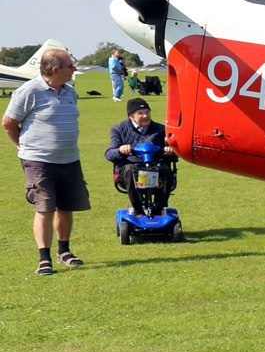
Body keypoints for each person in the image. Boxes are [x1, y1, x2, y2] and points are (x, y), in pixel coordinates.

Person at [3, 42, 87, 274]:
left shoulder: (71, 91)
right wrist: (24, 146)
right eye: (70, 66)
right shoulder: (28, 91)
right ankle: (44, 259)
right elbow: (8, 123)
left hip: (70, 159)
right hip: (39, 161)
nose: (74, 69)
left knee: (66, 207)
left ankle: (64, 251)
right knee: (44, 208)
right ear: (54, 69)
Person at [106, 98, 167, 174]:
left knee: (164, 171)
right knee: (131, 170)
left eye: (147, 112)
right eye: (140, 113)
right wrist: (120, 151)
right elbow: (109, 155)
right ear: (131, 116)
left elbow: (175, 154)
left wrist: (169, 151)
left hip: (156, 165)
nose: (145, 116)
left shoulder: (162, 129)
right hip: (130, 167)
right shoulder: (118, 129)